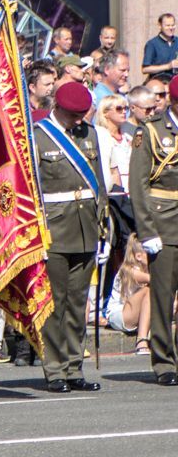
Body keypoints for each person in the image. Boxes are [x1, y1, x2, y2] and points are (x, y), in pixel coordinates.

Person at [36, 82, 107, 393]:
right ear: (60, 109)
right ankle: (54, 370)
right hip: (54, 228)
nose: (79, 121)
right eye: (74, 115)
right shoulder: (37, 136)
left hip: (85, 227)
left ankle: (74, 366)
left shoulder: (88, 133)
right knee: (55, 304)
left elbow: (99, 183)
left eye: (82, 115)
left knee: (79, 303)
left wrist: (103, 225)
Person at [129, 79, 178, 385]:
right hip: (164, 222)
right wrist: (147, 231)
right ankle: (164, 362)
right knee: (162, 296)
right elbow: (139, 184)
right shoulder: (150, 130)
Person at [105, 235, 151, 355]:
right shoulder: (128, 270)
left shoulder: (147, 269)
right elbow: (152, 279)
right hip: (118, 314)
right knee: (148, 291)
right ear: (138, 256)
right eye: (149, 253)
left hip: (134, 313)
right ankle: (141, 340)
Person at [94, 94, 132, 191]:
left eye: (126, 108)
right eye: (119, 109)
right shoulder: (100, 136)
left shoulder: (129, 135)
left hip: (133, 187)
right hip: (114, 189)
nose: (124, 112)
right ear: (105, 112)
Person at [142, 13, 178, 81]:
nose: (171, 28)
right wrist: (168, 66)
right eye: (167, 25)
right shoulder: (152, 44)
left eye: (173, 25)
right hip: (159, 83)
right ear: (160, 26)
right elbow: (145, 69)